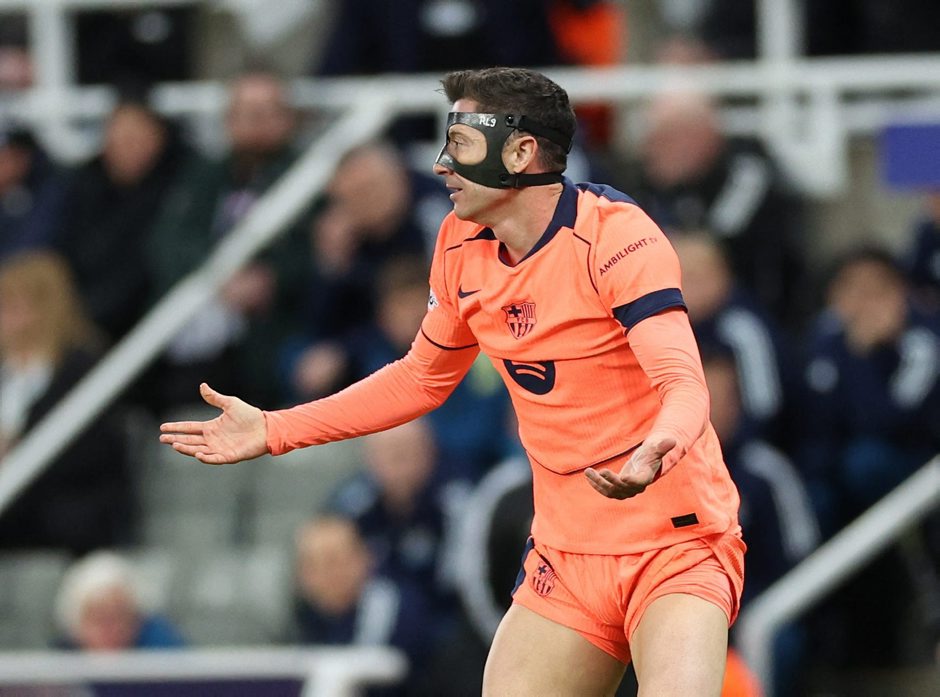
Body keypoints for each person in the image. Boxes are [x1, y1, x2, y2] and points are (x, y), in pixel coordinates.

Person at [161, 67, 744, 696]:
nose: (441, 164)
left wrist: (659, 447)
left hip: (674, 544)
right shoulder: (459, 242)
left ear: (520, 153)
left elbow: (684, 383)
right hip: (566, 557)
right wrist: (276, 428)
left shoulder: (615, 235)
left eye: (461, 144)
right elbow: (420, 379)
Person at [0, 251, 134, 555]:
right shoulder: (6, 373)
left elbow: (94, 453)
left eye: (12, 305)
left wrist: (17, 447)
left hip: (60, 512)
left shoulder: (82, 371)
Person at [54, 551, 185, 651]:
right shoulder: (56, 665)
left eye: (119, 616)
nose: (110, 629)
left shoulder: (166, 656)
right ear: (77, 625)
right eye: (98, 618)